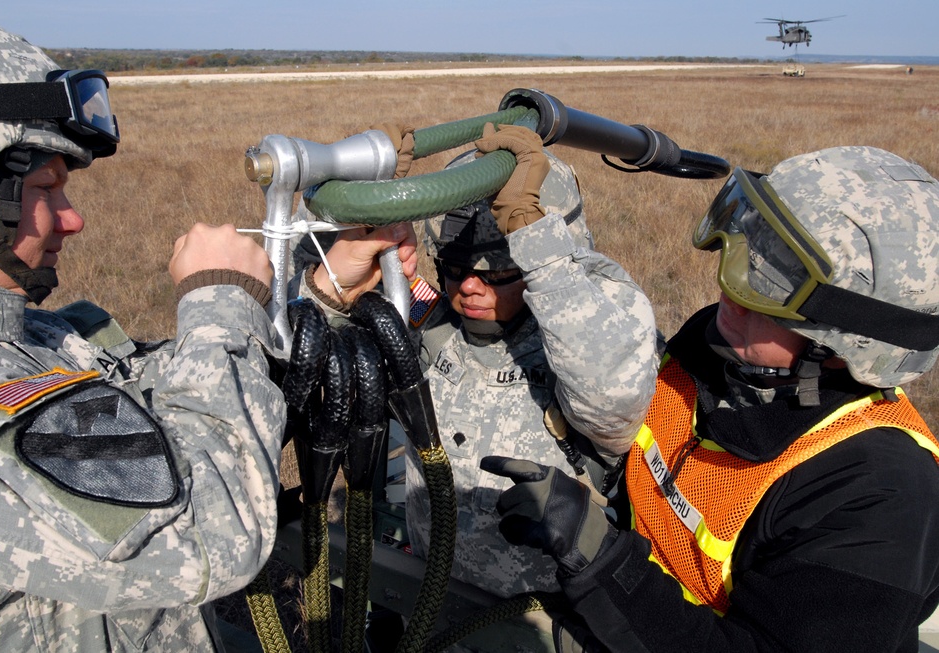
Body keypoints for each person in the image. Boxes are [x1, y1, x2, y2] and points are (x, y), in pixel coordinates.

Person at [482, 145, 939, 652]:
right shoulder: (720, 354)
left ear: (849, 340)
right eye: (753, 251)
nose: (731, 290)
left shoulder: (883, 497)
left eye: (772, 285)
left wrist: (598, 554)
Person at [0, 13, 285, 652]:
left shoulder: (10, 335)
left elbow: (142, 404)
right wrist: (219, 304)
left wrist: (319, 292)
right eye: (46, 187)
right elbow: (208, 535)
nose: (71, 221)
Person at [298, 123, 658, 603]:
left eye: (500, 273)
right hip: (432, 599)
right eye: (454, 268)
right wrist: (359, 224)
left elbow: (612, 407)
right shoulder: (433, 322)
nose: (469, 287)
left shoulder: (594, 319)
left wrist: (537, 247)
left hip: (543, 621)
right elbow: (308, 360)